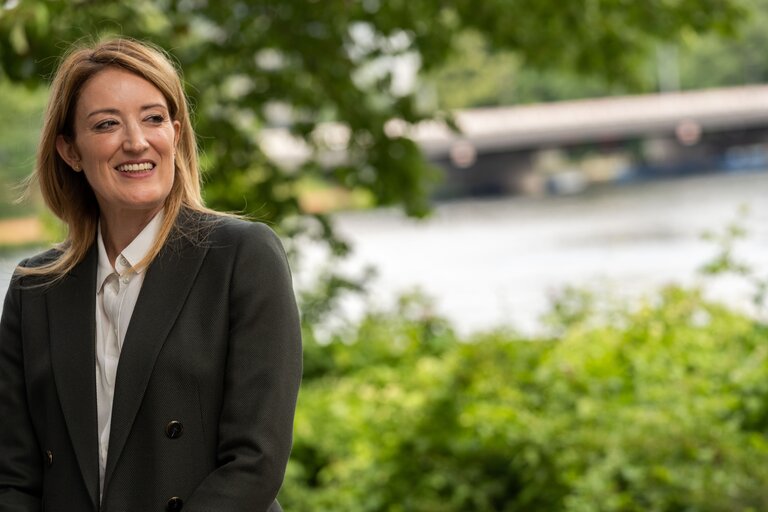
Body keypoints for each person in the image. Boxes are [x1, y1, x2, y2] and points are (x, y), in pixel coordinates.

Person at [0, 37, 302, 512]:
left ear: (176, 134)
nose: (136, 141)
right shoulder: (33, 287)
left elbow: (254, 462)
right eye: (106, 124)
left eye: (154, 118)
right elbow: (14, 479)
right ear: (70, 151)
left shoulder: (242, 256)